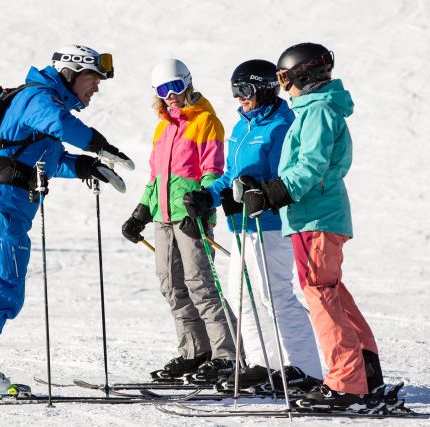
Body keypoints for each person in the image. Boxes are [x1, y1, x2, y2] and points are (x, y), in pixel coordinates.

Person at [0, 44, 133, 396]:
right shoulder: (38, 98)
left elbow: (49, 159)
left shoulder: (43, 105)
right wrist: (98, 144)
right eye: (93, 79)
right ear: (72, 73)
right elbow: (60, 125)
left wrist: (85, 165)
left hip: (6, 207)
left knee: (4, 289)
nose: (96, 88)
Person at [238, 42, 385, 409]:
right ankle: (364, 375)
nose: (281, 85)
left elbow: (312, 165)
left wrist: (276, 192)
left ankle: (346, 383)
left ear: (299, 76)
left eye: (283, 77)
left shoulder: (318, 110)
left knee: (321, 294)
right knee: (332, 293)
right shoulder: (315, 109)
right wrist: (266, 188)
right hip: (315, 216)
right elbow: (304, 166)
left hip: (315, 217)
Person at [182, 60, 323, 392]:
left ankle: (304, 368)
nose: (239, 98)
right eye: (235, 91)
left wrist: (253, 193)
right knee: (241, 295)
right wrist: (207, 197)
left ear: (263, 87)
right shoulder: (241, 127)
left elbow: (280, 178)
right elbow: (231, 178)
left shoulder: (281, 126)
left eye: (244, 90)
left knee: (273, 295)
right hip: (241, 225)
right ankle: (264, 365)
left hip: (270, 224)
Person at [121, 59, 237, 381]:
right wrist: (140, 213)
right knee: (171, 286)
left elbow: (213, 172)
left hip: (191, 217)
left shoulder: (206, 122)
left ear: (187, 83)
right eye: (163, 90)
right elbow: (155, 179)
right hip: (163, 220)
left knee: (201, 284)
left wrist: (200, 207)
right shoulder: (163, 127)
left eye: (175, 87)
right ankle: (195, 351)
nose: (170, 95)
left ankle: (228, 355)